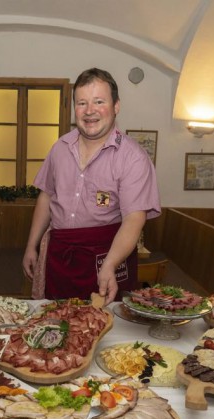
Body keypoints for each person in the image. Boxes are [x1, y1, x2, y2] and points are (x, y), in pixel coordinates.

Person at [22, 68, 160, 305]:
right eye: (82, 103)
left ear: (116, 106)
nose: (89, 111)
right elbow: (47, 197)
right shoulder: (59, 148)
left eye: (99, 101)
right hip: (60, 256)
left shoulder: (133, 157)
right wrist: (31, 246)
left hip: (108, 257)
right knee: (57, 322)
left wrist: (110, 264)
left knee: (108, 328)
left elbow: (134, 219)